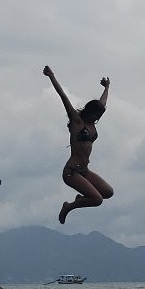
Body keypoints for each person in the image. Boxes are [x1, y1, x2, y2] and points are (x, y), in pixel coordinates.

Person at [43, 65, 114, 224]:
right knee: (97, 200)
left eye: (98, 116)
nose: (96, 119)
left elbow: (102, 103)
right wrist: (51, 76)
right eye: (95, 115)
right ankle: (69, 206)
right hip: (72, 172)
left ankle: (81, 198)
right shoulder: (77, 121)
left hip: (84, 171)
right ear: (89, 112)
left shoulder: (92, 123)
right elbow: (63, 96)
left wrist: (107, 87)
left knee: (108, 192)